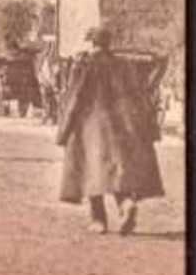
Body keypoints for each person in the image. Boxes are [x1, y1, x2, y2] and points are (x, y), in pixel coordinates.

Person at [56, 26, 164, 235]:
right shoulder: (124, 65)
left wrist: (64, 130)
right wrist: (148, 127)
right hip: (122, 124)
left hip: (92, 126)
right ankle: (125, 205)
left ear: (92, 43)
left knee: (90, 170)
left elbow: (75, 97)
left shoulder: (85, 65)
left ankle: (99, 220)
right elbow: (139, 94)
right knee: (115, 171)